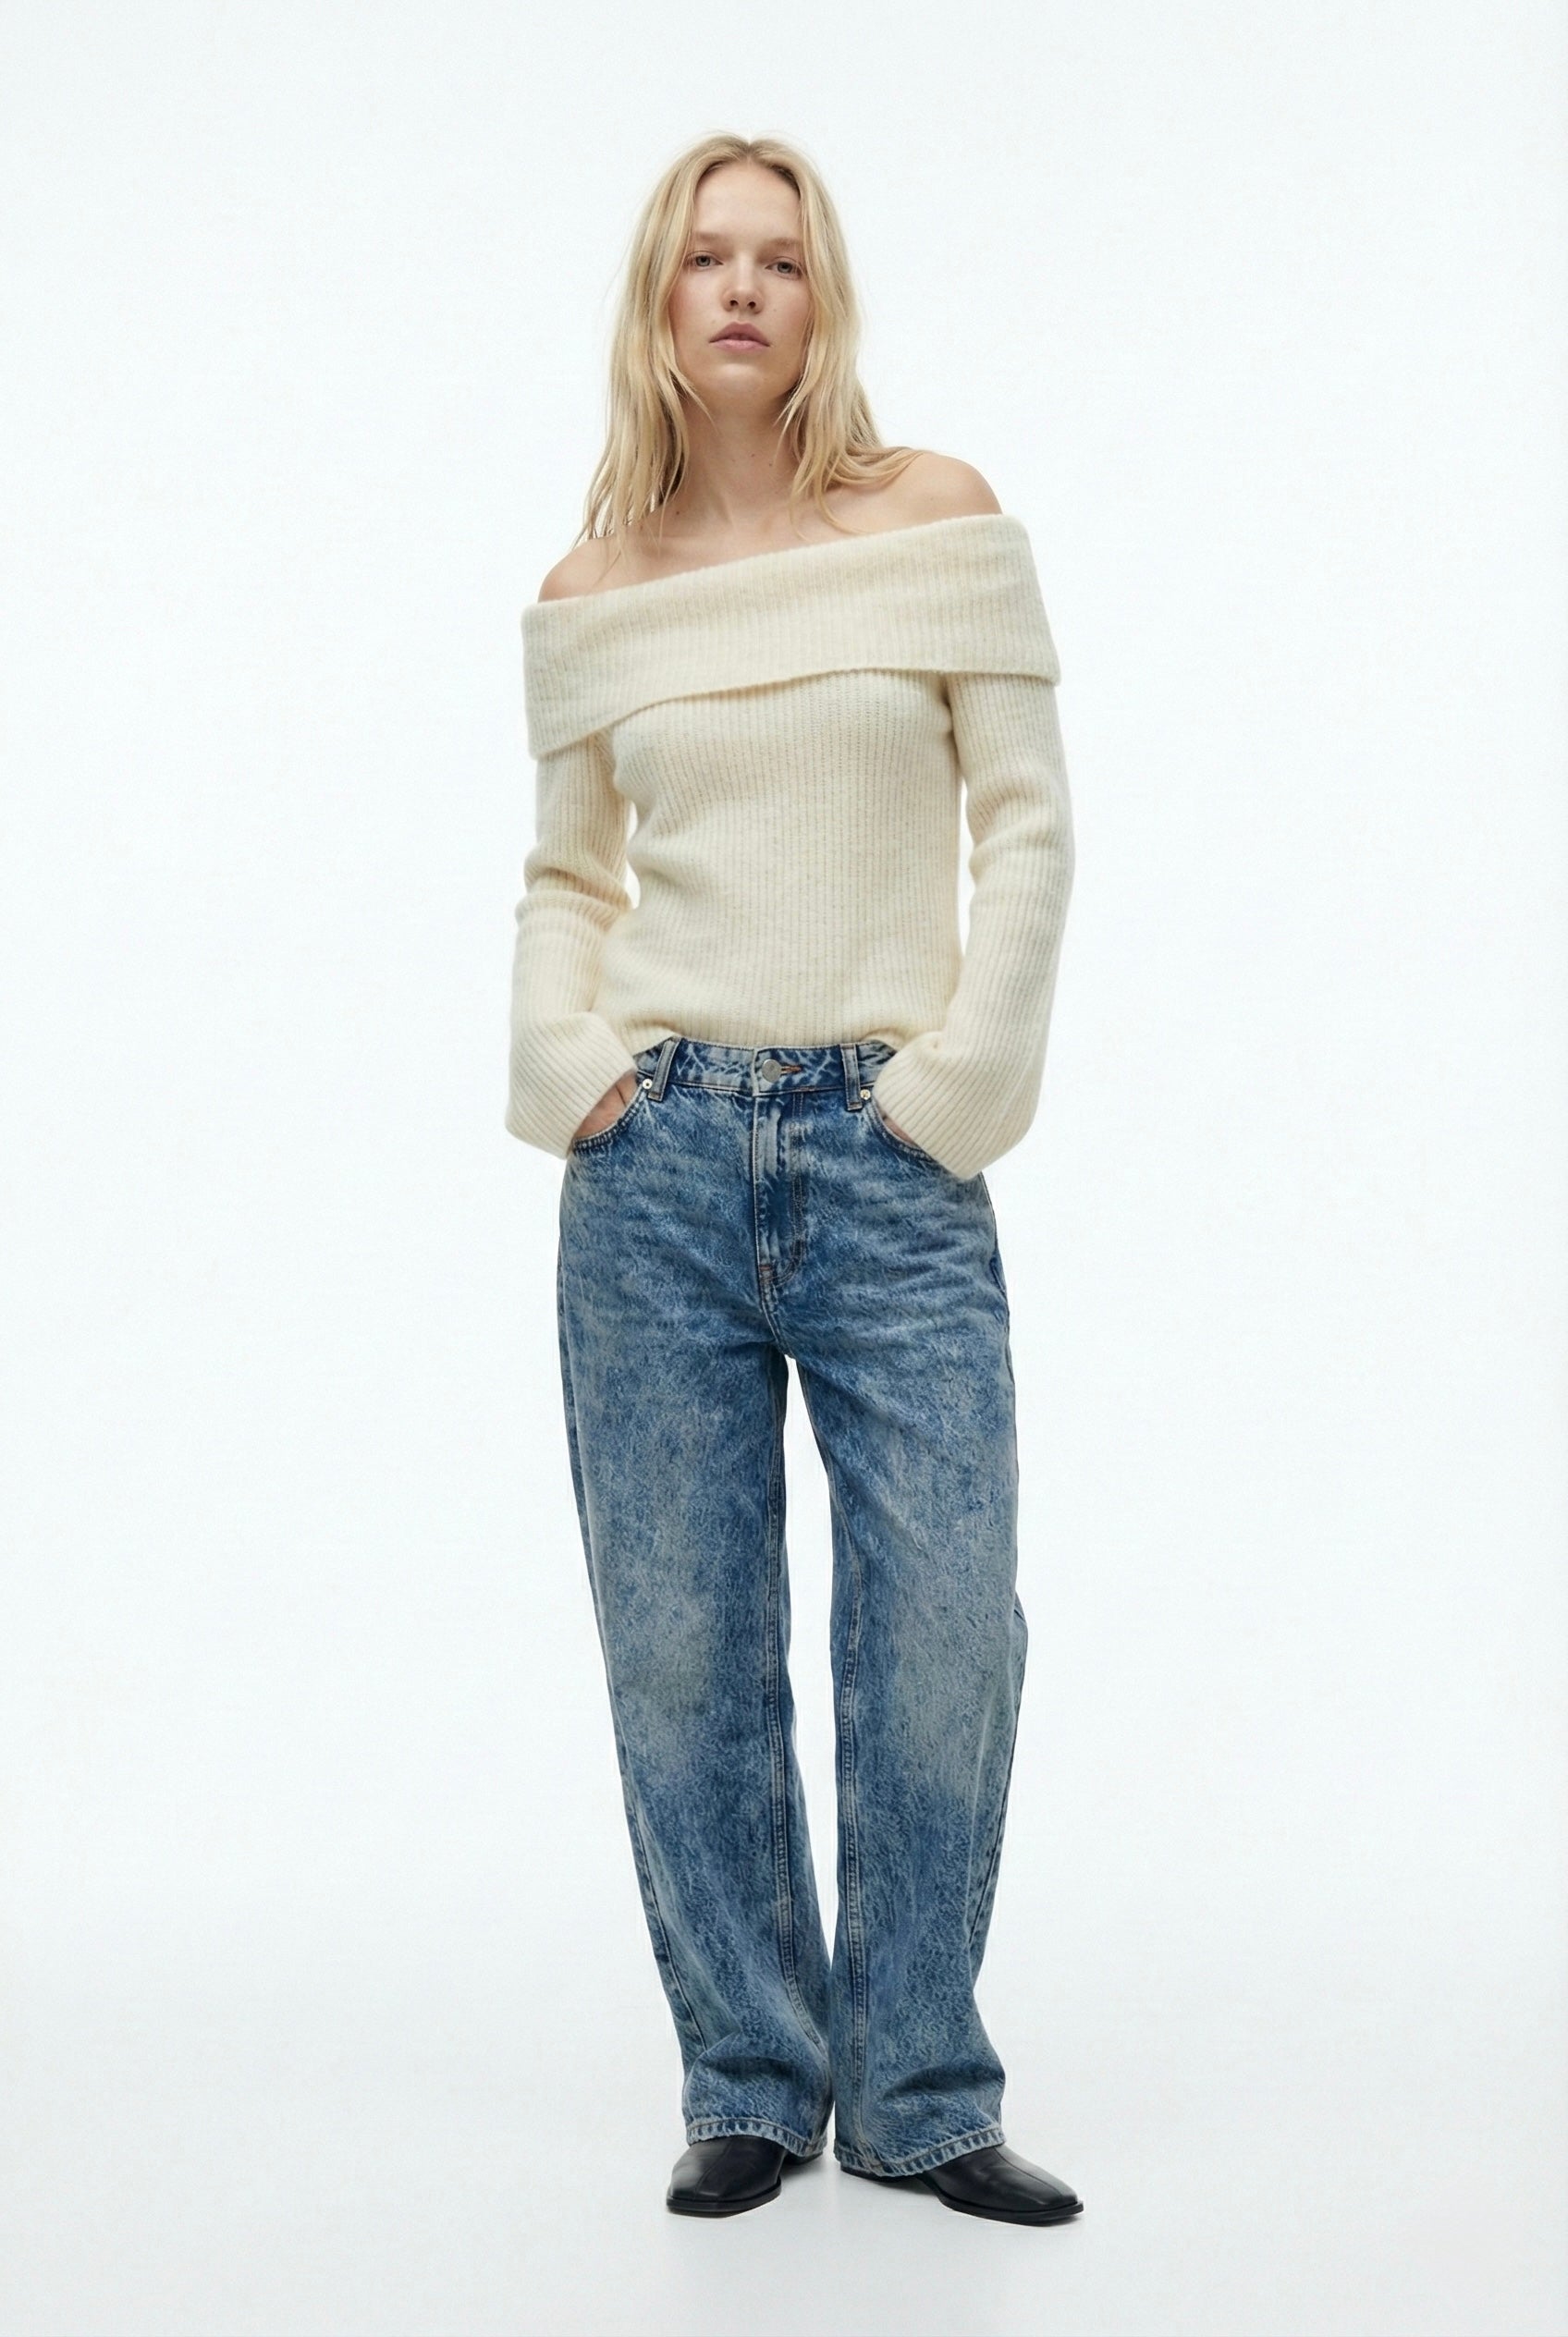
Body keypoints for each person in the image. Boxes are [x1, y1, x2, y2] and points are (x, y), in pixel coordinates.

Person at [506, 131, 1081, 2228]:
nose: (740, 289)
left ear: (821, 295)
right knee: (683, 1647)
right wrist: (571, 1073)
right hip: (653, 1166)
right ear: (657, 303)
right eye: (703, 259)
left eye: (778, 257)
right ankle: (750, 2073)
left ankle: (916, 2086)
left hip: (885, 1152)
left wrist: (951, 1092)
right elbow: (567, 877)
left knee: (944, 1629)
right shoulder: (596, 592)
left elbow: (1026, 824)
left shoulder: (932, 518)